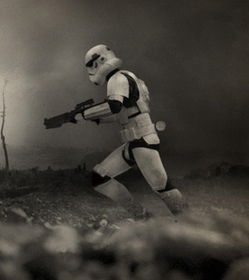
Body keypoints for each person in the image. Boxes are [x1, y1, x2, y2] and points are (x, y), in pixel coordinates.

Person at [72, 44, 187, 219]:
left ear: (100, 60)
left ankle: (192, 223)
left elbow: (114, 106)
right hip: (135, 143)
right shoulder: (128, 77)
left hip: (142, 141)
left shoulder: (117, 79)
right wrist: (93, 118)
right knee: (99, 177)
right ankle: (142, 216)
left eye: (91, 65)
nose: (90, 70)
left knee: (162, 186)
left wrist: (84, 114)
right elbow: (123, 114)